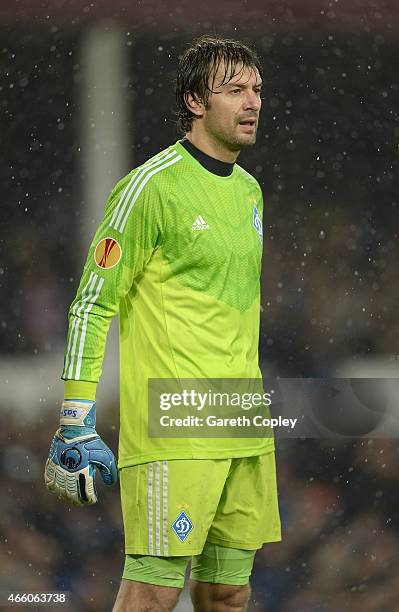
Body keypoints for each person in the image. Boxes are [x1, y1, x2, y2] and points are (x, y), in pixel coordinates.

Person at [45, 35, 281, 612]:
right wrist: (75, 418)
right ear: (196, 101)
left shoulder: (249, 190)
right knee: (152, 592)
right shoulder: (149, 188)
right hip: (175, 419)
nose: (252, 103)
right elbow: (91, 303)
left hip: (240, 415)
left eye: (256, 90)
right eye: (234, 91)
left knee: (228, 593)